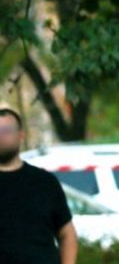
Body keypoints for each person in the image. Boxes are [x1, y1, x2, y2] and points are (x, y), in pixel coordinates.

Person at [0, 108, 77, 264]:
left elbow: (67, 234)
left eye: (6, 130)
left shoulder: (45, 182)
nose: (1, 136)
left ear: (21, 135)